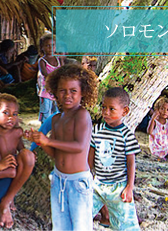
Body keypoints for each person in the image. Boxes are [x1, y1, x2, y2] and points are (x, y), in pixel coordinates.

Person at [22, 64, 97, 231]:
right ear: (55, 92)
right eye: (62, 90)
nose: (67, 95)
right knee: (60, 225)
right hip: (58, 179)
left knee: (81, 226)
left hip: (78, 181)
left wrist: (48, 141)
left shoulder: (82, 115)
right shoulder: (56, 119)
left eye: (73, 91)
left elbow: (80, 146)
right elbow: (55, 154)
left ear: (83, 92)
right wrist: (40, 141)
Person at [89, 88, 140, 231]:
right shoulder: (96, 130)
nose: (105, 112)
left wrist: (129, 186)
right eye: (103, 107)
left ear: (124, 111)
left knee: (125, 225)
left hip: (118, 187)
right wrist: (88, 175)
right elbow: (90, 156)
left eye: (112, 109)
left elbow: (131, 163)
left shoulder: (127, 135)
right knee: (81, 214)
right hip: (97, 184)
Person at [0, 94, 35, 228]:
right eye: (6, 113)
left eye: (14, 114)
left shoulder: (17, 132)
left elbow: (22, 153)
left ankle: (7, 200)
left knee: (28, 155)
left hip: (11, 176)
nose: (11, 118)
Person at [37, 34, 61, 122]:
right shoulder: (42, 61)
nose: (50, 48)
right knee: (46, 111)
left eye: (53, 45)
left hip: (56, 90)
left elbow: (62, 70)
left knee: (56, 110)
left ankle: (55, 129)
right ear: (42, 47)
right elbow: (45, 74)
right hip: (46, 91)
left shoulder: (58, 59)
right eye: (47, 46)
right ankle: (44, 130)